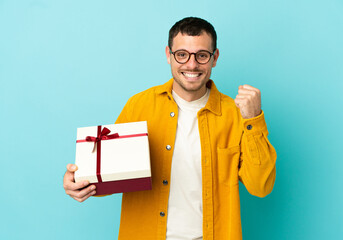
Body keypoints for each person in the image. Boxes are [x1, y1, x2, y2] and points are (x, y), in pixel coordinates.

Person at [63, 17, 276, 240]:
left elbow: (261, 186)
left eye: (202, 55)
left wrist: (253, 121)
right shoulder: (140, 105)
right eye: (182, 54)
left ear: (215, 58)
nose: (192, 65)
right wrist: (78, 181)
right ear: (168, 55)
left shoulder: (236, 114)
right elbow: (111, 173)